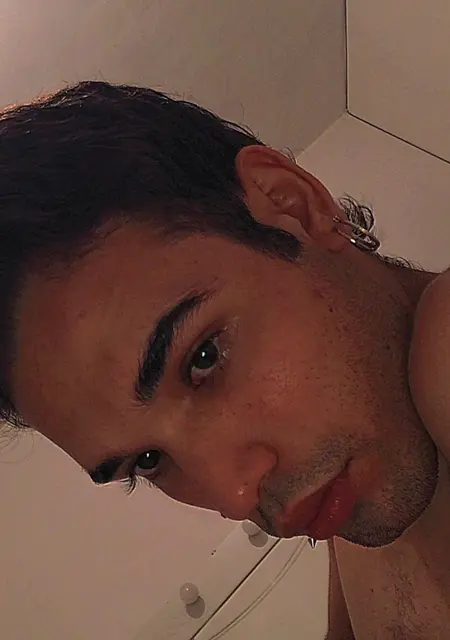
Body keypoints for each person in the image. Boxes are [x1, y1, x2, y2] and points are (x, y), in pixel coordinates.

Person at [0, 80, 449, 639]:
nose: (235, 496)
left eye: (204, 357)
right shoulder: (349, 479)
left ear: (294, 204)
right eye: (148, 460)